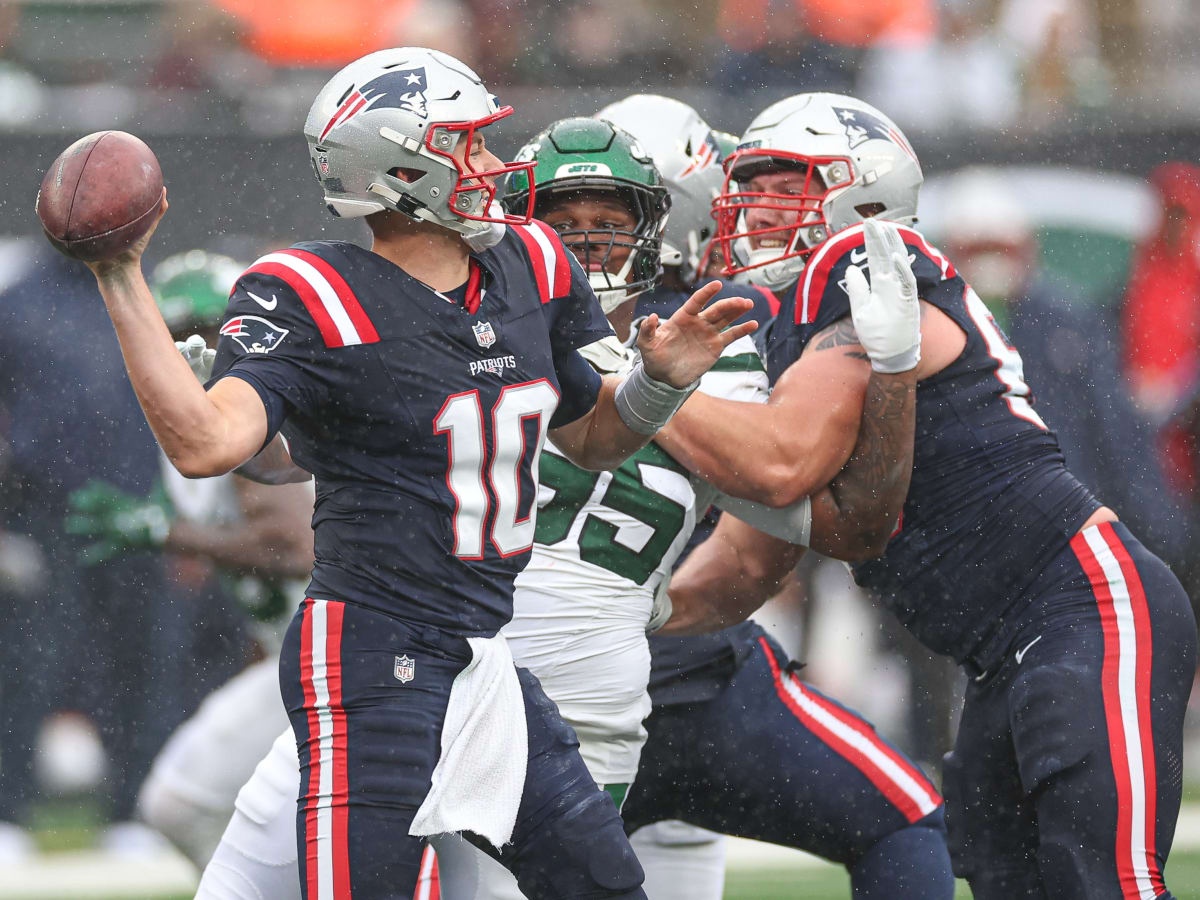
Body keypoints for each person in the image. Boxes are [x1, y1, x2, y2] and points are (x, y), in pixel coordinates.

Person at [191, 115, 941, 900]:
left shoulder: (717, 348)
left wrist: (653, 390)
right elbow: (334, 464)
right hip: (419, 656)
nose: (583, 247)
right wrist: (269, 418)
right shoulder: (461, 320)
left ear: (654, 232)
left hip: (571, 697)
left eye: (608, 226)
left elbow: (794, 505)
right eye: (562, 223)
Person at [78, 45, 761, 899]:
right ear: (402, 170)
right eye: (468, 146)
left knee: (606, 885)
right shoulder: (310, 288)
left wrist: (659, 386)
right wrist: (119, 274)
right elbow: (209, 444)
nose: (493, 165)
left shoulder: (532, 264)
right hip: (370, 652)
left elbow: (590, 438)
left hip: (484, 657)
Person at [654, 91, 1197, 900]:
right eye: (751, 183)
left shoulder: (869, 265)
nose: (755, 206)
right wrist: (629, 620)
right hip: (1003, 649)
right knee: (1004, 877)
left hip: (1087, 609)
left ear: (860, 195)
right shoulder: (796, 322)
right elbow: (745, 561)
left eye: (781, 183)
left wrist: (627, 393)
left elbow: (782, 465)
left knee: (1102, 883)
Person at [597, 93, 953, 900]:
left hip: (565, 680)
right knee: (904, 817)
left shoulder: (528, 320)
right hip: (689, 676)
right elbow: (787, 503)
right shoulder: (740, 320)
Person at [64, 249, 317, 867]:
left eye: (208, 332)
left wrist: (162, 531)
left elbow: (294, 548)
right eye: (177, 337)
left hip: (335, 653)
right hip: (299, 652)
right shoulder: (196, 425)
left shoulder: (255, 415)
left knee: (185, 804)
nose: (192, 353)